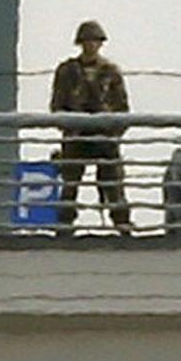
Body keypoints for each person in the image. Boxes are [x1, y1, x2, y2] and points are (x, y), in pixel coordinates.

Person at [50, 20, 132, 232]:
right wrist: (69, 124)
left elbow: (122, 108)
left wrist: (113, 130)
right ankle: (64, 224)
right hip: (76, 134)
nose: (91, 45)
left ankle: (122, 222)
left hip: (104, 136)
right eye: (87, 41)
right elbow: (57, 105)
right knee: (70, 182)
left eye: (95, 41)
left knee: (113, 182)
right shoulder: (67, 71)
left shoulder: (111, 72)